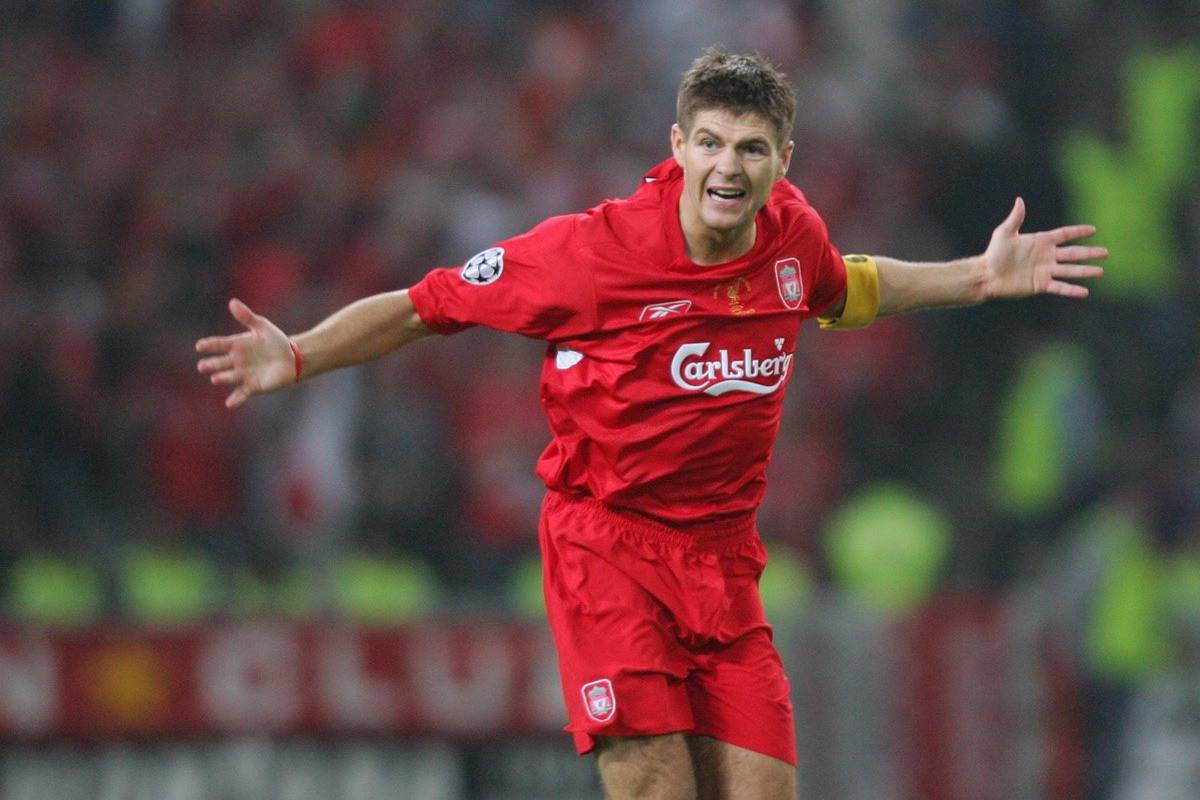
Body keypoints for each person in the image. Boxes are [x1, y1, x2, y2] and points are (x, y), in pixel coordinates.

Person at [195, 48, 1106, 800]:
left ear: (783, 160)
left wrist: (976, 278)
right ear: (678, 144)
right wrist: (301, 353)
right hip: (609, 552)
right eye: (710, 143)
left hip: (724, 562)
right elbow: (425, 305)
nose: (728, 167)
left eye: (752, 148)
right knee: (658, 789)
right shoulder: (590, 255)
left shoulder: (791, 235)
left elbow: (844, 287)